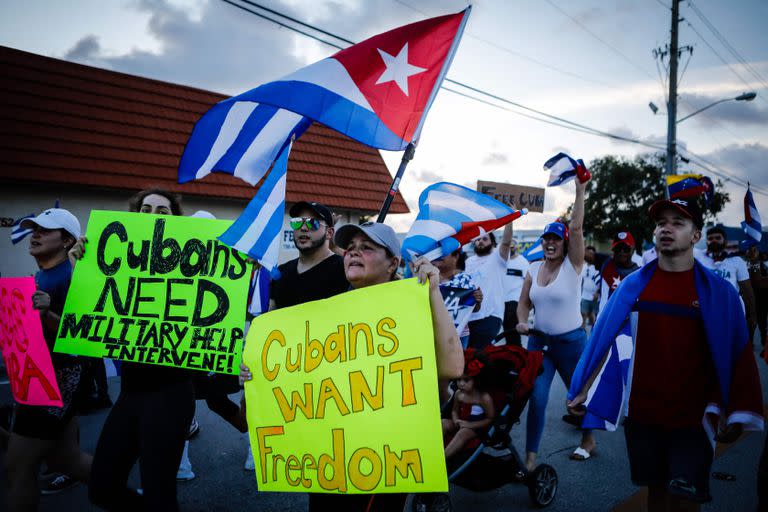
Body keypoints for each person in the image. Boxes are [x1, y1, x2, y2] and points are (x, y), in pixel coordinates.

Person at [240, 221, 464, 512]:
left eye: (367, 249)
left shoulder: (412, 307)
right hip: (327, 458)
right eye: (350, 248)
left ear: (392, 263)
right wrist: (257, 376)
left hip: (383, 458)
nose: (353, 253)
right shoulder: (329, 310)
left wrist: (433, 293)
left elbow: (452, 367)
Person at [568, 198, 764, 511]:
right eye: (661, 223)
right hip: (643, 416)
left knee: (686, 503)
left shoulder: (718, 292)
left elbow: (738, 353)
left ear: (695, 235)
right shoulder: (633, 286)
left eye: (677, 222)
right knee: (656, 498)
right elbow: (602, 338)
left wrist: (737, 408)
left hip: (693, 419)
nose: (666, 228)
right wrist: (580, 388)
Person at [77, 188, 196, 512]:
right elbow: (91, 322)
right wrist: (84, 266)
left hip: (170, 395)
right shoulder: (118, 264)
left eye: (162, 212)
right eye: (145, 209)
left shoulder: (192, 267)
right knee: (101, 487)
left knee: (159, 493)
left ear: (176, 222)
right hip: (131, 394)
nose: (152, 216)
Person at [6, 208, 93, 511]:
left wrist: (47, 315)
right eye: (34, 229)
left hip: (53, 382)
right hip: (39, 375)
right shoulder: (42, 274)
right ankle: (130, 496)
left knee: (17, 468)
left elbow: (84, 338)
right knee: (65, 459)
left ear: (68, 240)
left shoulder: (72, 276)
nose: (35, 234)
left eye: (45, 230)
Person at [516, 177, 594, 470]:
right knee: (536, 399)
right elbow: (524, 303)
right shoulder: (533, 268)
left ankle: (588, 439)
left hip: (571, 343)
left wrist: (580, 190)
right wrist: (522, 321)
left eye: (556, 239)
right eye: (547, 239)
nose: (550, 243)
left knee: (578, 397)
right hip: (539, 342)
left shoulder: (574, 266)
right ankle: (530, 458)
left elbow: (576, 228)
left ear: (565, 244)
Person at [698, 225, 757, 334]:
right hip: (707, 311)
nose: (714, 240)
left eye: (718, 238)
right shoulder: (700, 259)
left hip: (732, 310)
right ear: (706, 242)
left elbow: (747, 290)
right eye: (710, 238)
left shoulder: (736, 260)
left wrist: (753, 315)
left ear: (725, 241)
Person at [465, 223, 514, 348]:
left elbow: (506, 242)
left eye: (485, 239)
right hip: (468, 316)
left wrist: (510, 221)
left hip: (491, 315)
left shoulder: (497, 257)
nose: (480, 241)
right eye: (478, 239)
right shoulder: (468, 262)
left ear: (492, 243)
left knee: (480, 353)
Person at [442, 353, 495, 459]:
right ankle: (433, 448)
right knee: (443, 422)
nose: (461, 384)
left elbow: (490, 418)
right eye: (459, 380)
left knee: (463, 433)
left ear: (476, 380)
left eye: (466, 380)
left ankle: (442, 458)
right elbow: (454, 411)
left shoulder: (483, 398)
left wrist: (470, 425)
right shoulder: (458, 394)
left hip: (475, 427)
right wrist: (456, 420)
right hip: (460, 422)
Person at [435, 249, 481, 348]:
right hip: (434, 333)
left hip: (459, 335)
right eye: (437, 253)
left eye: (444, 253)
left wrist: (478, 300)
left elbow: (475, 309)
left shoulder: (464, 279)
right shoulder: (427, 280)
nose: (439, 256)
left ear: (456, 257)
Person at [597, 231, 640, 314]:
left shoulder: (639, 273)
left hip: (628, 323)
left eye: (626, 249)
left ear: (633, 249)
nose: (621, 252)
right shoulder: (606, 265)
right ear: (613, 250)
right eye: (618, 248)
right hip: (603, 321)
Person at [502, 238, 529, 345]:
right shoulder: (501, 262)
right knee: (506, 332)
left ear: (516, 247)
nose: (510, 248)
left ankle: (516, 353)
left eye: (512, 246)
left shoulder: (522, 262)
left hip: (515, 301)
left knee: (512, 333)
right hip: (501, 301)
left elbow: (528, 282)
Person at [745, 243, 768, 347]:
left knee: (762, 322)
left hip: (762, 297)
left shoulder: (766, 264)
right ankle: (750, 342)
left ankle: (764, 341)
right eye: (750, 250)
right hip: (749, 297)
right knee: (750, 321)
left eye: (754, 250)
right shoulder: (743, 264)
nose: (751, 252)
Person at [580, 245, 600, 328]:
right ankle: (582, 335)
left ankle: (593, 332)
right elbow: (581, 281)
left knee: (592, 316)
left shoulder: (597, 267)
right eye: (588, 253)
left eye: (592, 253)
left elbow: (600, 281)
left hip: (594, 296)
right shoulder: (583, 266)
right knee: (583, 314)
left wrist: (597, 293)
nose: (589, 256)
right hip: (584, 295)